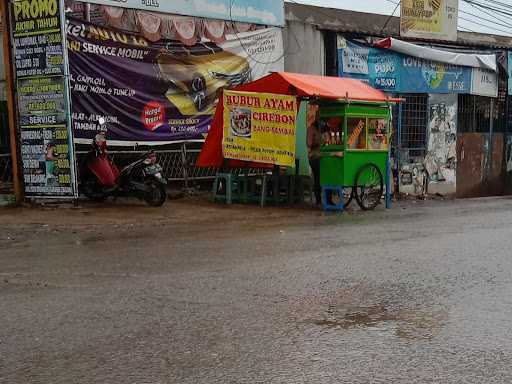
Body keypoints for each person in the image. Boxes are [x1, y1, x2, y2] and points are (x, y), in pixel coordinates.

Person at [307, 111, 322, 205]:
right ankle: (318, 199)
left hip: (323, 156)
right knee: (318, 177)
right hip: (314, 156)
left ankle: (326, 198)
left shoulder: (323, 128)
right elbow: (308, 143)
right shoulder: (311, 129)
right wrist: (317, 142)